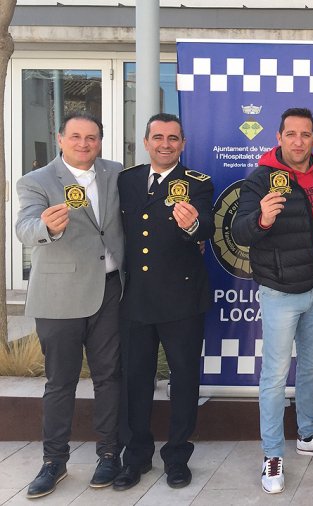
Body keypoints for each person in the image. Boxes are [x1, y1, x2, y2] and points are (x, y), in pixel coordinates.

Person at [232, 107, 313, 495]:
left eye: (306, 134)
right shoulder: (260, 179)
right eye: (291, 134)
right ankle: (271, 453)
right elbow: (239, 231)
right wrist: (261, 219)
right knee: (276, 375)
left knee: (312, 368)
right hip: (280, 292)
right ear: (279, 137)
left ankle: (309, 435)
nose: (299, 141)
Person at [15, 112, 125, 498]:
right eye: (76, 137)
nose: (84, 144)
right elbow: (25, 228)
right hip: (59, 298)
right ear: (60, 138)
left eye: (92, 137)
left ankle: (110, 453)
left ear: (100, 140)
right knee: (60, 382)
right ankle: (54, 461)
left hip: (110, 293)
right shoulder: (36, 181)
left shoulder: (115, 173)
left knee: (109, 377)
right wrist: (47, 226)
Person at [113, 113, 214, 491]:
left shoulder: (197, 184)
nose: (165, 144)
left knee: (184, 380)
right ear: (146, 142)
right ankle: (135, 457)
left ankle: (177, 457)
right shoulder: (127, 181)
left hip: (182, 299)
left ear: (183, 144)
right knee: (135, 381)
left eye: (173, 138)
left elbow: (205, 226)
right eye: (158, 137)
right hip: (136, 299)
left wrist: (191, 225)